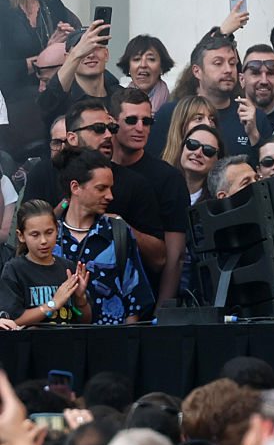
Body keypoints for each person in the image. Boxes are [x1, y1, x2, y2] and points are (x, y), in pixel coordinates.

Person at [24, 100, 166, 274]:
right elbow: (24, 243)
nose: (108, 135)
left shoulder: (135, 184)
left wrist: (120, 226)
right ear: (72, 138)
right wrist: (69, 205)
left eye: (111, 129)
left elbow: (159, 259)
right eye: (98, 129)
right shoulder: (44, 173)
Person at [51, 146, 153, 323]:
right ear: (75, 187)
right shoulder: (49, 235)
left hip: (112, 344)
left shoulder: (117, 232)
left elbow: (133, 300)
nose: (110, 196)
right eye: (101, 188)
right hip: (57, 343)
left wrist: (129, 345)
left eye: (111, 188)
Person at [110, 87, 188, 308]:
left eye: (147, 121)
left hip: (148, 298)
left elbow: (175, 257)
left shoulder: (168, 178)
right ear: (113, 122)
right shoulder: (95, 171)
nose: (140, 128)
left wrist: (162, 314)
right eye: (131, 120)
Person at [148, 35, 270, 158]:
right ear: (197, 71)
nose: (228, 69)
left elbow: (269, 170)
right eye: (218, 63)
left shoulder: (253, 117)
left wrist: (254, 135)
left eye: (232, 63)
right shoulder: (170, 113)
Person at [0, 0, 71, 160]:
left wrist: (66, 42)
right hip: (13, 108)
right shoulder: (3, 5)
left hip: (51, 100)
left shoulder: (50, 2)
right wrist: (44, 57)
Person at [0, 198, 91, 325]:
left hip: (68, 343)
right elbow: (12, 321)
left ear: (57, 230)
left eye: (49, 232)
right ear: (21, 236)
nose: (43, 240)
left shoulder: (68, 267)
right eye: (35, 235)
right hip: (33, 344)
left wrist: (81, 299)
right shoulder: (14, 269)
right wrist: (52, 305)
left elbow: (84, 319)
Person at [38, 18, 123, 128]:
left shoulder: (121, 97)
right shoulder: (62, 100)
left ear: (106, 54)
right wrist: (76, 55)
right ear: (68, 58)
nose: (90, 55)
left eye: (95, 47)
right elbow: (45, 104)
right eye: (83, 49)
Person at [240, 44, 274, 141]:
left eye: (270, 73)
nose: (264, 81)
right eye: (255, 73)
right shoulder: (226, 120)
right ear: (242, 80)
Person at [116, 35, 174, 113]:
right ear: (128, 67)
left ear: (162, 67)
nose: (143, 65)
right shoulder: (117, 104)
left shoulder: (175, 106)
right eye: (137, 59)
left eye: (151, 59)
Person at [158, 95, 220, 166]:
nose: (208, 124)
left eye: (211, 119)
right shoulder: (161, 169)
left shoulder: (223, 171)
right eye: (199, 118)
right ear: (182, 125)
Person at [175, 124, 225, 205]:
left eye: (208, 150)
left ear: (218, 160)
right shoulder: (162, 187)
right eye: (192, 144)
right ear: (182, 148)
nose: (198, 153)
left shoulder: (219, 201)